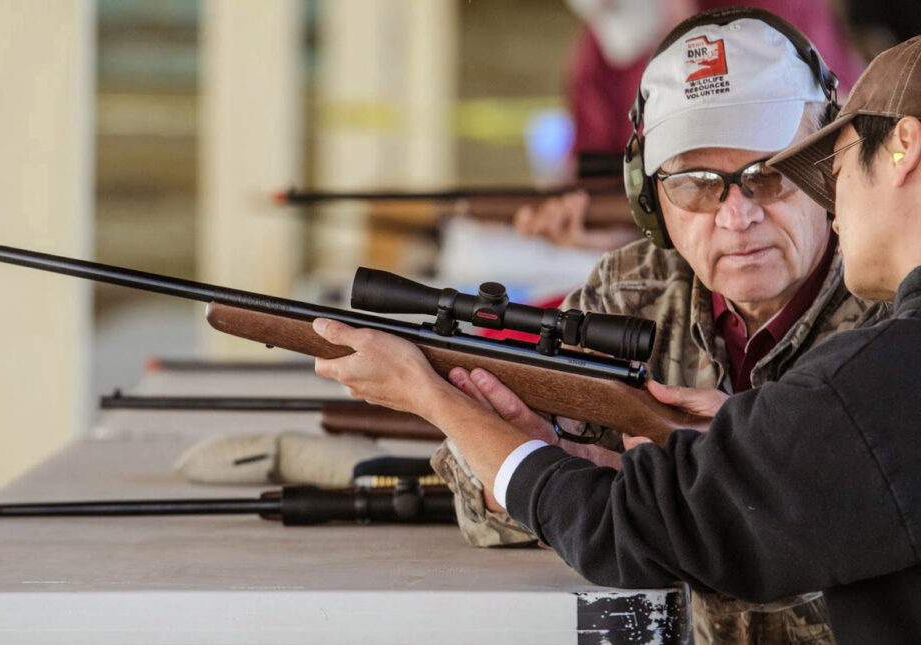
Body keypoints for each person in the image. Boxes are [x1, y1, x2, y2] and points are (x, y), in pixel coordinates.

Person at [310, 35, 921, 643]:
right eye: (696, 184)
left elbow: (774, 538)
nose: (737, 216)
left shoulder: (889, 319)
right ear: (650, 199)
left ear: (825, 172)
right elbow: (479, 512)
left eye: (769, 175)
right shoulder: (629, 291)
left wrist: (438, 402)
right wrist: (556, 455)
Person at [520, 0, 865, 250]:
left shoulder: (777, 15)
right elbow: (602, 179)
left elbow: (847, 131)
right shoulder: (600, 49)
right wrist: (599, 231)